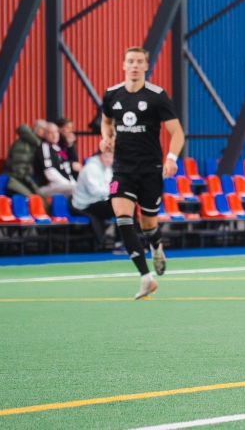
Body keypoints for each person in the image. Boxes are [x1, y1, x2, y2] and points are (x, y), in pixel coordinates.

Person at [101, 46, 185, 299]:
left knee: (148, 224)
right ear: (123, 65)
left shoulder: (157, 96)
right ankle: (145, 278)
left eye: (139, 61)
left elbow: (177, 132)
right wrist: (106, 138)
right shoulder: (111, 95)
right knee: (123, 217)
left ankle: (156, 246)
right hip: (122, 169)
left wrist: (171, 158)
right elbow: (106, 122)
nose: (135, 65)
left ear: (146, 66)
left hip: (150, 170)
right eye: (130, 61)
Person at [70, 151, 115, 249]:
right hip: (83, 204)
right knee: (117, 208)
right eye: (106, 156)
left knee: (123, 206)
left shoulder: (108, 169)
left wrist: (114, 192)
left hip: (98, 201)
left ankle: (122, 241)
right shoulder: (90, 168)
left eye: (111, 157)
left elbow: (111, 186)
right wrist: (113, 192)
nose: (109, 160)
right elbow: (94, 191)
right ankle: (120, 242)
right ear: (99, 156)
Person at [33, 123, 77, 198]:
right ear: (45, 135)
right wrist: (69, 184)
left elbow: (67, 171)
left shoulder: (56, 148)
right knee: (78, 189)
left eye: (56, 132)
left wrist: (72, 183)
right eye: (51, 133)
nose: (54, 135)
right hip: (46, 187)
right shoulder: (44, 147)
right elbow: (50, 173)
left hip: (61, 185)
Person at [3, 124, 42, 198]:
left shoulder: (37, 144)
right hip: (17, 178)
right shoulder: (24, 145)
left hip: (27, 178)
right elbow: (19, 168)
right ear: (39, 130)